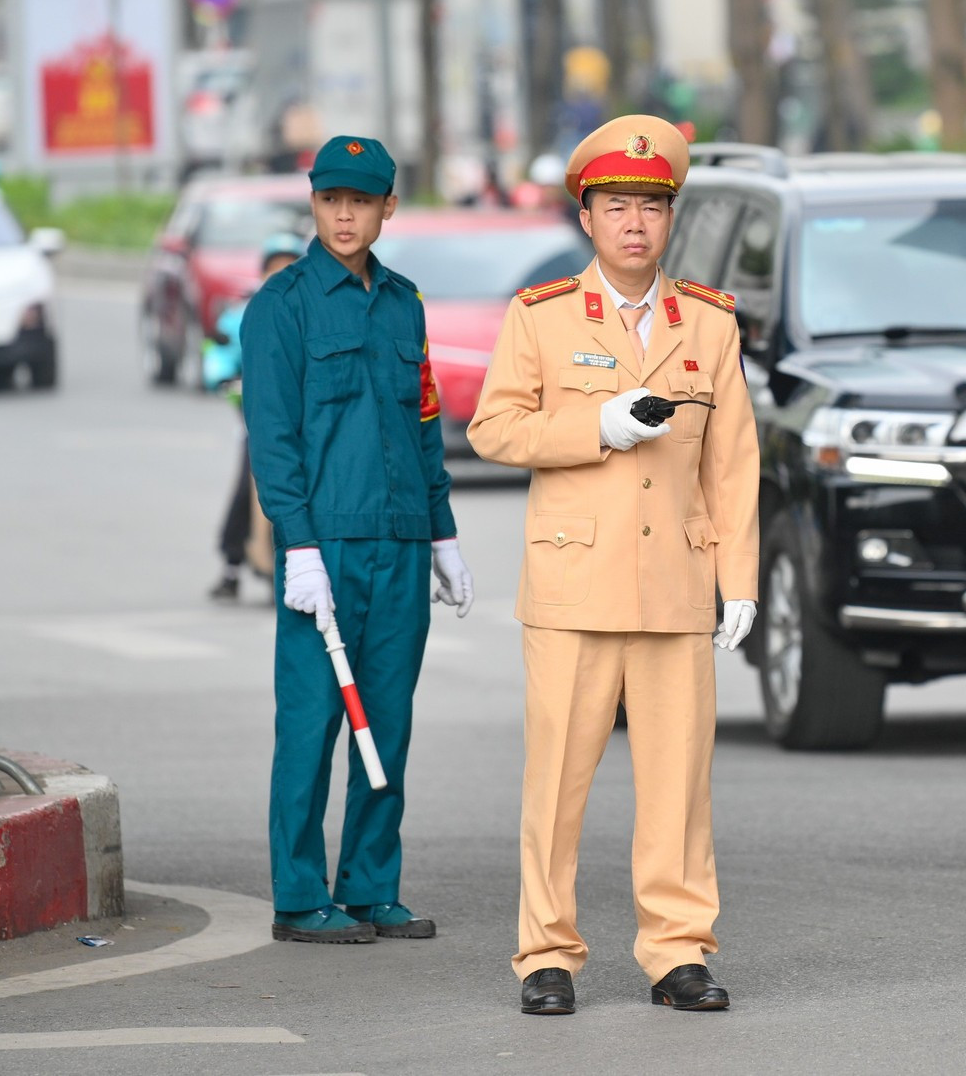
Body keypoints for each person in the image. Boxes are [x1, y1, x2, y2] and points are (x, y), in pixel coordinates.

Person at [468, 114, 760, 1018]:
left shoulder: (706, 324)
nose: (635, 223)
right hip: (574, 588)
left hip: (677, 582)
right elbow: (493, 428)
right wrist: (594, 427)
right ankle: (545, 954)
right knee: (556, 782)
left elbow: (735, 460)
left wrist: (740, 580)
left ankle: (677, 952)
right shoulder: (543, 315)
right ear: (587, 217)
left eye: (651, 206)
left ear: (670, 219)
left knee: (678, 785)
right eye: (616, 206)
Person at [241, 135, 475, 945]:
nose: (345, 214)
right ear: (313, 204)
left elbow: (423, 425)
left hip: (402, 543)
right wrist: (296, 544)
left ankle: (372, 884)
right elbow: (273, 439)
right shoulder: (283, 304)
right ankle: (300, 894)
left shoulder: (405, 303)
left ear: (387, 208)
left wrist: (441, 532)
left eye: (361, 201)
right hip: (326, 547)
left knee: (390, 718)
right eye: (332, 199)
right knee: (311, 721)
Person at [209, 232, 306, 602]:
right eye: (274, 267)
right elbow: (218, 353)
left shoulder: (312, 312)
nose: (281, 274)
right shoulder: (243, 313)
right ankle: (233, 563)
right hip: (259, 423)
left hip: (303, 424)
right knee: (246, 492)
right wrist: (224, 378)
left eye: (289, 267)